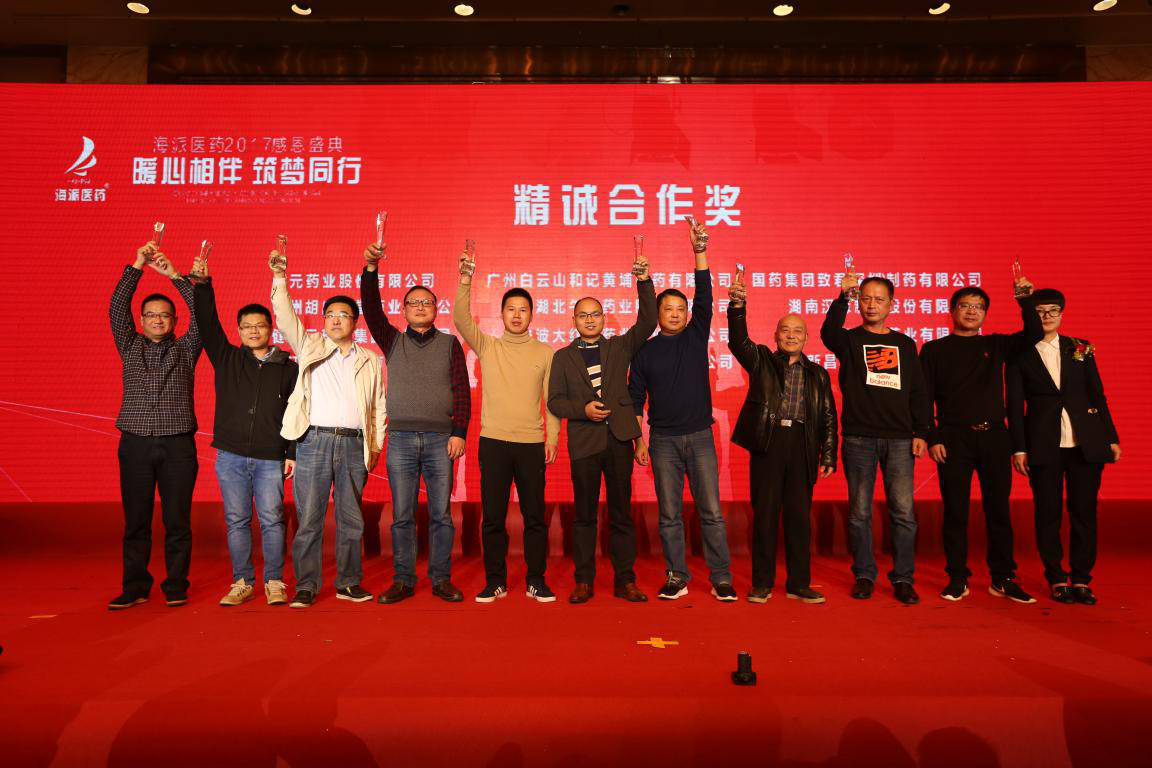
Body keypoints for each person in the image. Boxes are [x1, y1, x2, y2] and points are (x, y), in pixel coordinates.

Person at [269, 245, 386, 608]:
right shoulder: (310, 346)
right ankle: (306, 585)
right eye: (330, 315)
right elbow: (285, 316)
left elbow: (379, 406)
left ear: (355, 322)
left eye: (343, 315)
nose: (336, 320)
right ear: (323, 321)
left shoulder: (369, 359)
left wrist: (375, 445)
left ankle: (348, 583)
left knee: (351, 519)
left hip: (353, 444)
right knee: (309, 518)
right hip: (314, 442)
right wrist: (279, 277)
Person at [629, 219, 736, 602]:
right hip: (663, 442)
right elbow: (635, 399)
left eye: (680, 308)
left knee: (711, 512)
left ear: (689, 313)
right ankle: (676, 576)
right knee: (670, 514)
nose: (674, 313)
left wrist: (699, 250)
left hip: (701, 437)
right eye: (668, 308)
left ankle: (721, 578)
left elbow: (705, 293)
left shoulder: (695, 334)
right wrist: (639, 441)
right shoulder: (645, 351)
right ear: (657, 313)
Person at [920, 276, 1042, 604]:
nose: (972, 312)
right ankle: (957, 577)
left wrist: (1025, 300)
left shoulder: (996, 345)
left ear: (985, 313)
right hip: (952, 439)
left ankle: (1002, 578)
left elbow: (1034, 333)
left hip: (995, 437)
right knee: (955, 511)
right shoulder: (933, 350)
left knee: (998, 510)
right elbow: (923, 398)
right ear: (952, 310)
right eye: (965, 306)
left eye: (978, 307)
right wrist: (933, 437)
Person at [361, 242, 470, 604]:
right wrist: (371, 269)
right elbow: (371, 309)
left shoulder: (450, 344)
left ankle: (441, 579)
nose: (421, 307)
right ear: (404, 310)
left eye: (427, 302)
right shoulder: (392, 340)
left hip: (441, 440)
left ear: (436, 310)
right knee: (402, 515)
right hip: (402, 440)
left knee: (441, 515)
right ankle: (404, 580)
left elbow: (461, 391)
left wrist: (458, 432)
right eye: (414, 303)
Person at [547, 248, 657, 604]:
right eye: (583, 315)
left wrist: (644, 281)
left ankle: (626, 580)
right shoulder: (562, 357)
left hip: (620, 439)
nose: (590, 320)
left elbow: (648, 320)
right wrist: (582, 409)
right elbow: (555, 401)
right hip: (584, 443)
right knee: (584, 516)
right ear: (574, 320)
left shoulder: (620, 347)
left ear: (604, 318)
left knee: (621, 514)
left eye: (595, 314)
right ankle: (584, 581)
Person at [188, 255, 298, 607]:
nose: (254, 331)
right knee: (236, 520)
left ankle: (274, 581)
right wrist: (203, 286)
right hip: (231, 455)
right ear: (239, 331)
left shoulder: (289, 368)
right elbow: (208, 324)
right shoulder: (227, 358)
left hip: (270, 458)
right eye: (247, 326)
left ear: (270, 330)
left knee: (272, 521)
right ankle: (242, 581)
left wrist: (291, 452)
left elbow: (297, 414)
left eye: (260, 325)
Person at [453, 247, 561, 603]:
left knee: (534, 517)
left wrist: (552, 438)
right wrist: (466, 278)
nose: (517, 315)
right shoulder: (488, 346)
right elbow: (461, 319)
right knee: (494, 518)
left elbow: (551, 400)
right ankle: (495, 581)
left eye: (523, 309)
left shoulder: (545, 352)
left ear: (532, 314)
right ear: (501, 314)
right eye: (511, 309)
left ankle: (536, 580)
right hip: (494, 443)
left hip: (531, 444)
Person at [727, 271, 837, 604]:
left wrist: (828, 454)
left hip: (802, 446)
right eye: (785, 330)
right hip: (769, 443)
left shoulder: (817, 374)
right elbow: (738, 341)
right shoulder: (761, 360)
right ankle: (762, 583)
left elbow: (828, 416)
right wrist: (737, 305)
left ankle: (798, 584)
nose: (791, 335)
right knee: (765, 516)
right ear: (775, 335)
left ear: (806, 337)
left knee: (799, 519)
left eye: (797, 331)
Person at [821, 271, 931, 604]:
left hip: (900, 439)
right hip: (859, 438)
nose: (871, 304)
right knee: (859, 513)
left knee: (903, 512)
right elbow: (828, 333)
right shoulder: (850, 341)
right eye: (865, 298)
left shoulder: (905, 344)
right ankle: (864, 575)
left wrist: (922, 431)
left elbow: (918, 391)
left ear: (891, 304)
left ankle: (903, 578)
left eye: (879, 299)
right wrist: (843, 297)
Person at [1007, 289, 1119, 605]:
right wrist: (1019, 448)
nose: (1046, 316)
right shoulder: (1019, 353)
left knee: (1084, 512)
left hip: (1085, 443)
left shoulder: (1079, 347)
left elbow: (1097, 394)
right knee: (1048, 513)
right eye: (1040, 311)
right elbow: (1014, 405)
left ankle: (1082, 579)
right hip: (1043, 445)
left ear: (1061, 313)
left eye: (1052, 310)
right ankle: (1056, 576)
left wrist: (1111, 436)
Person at [107, 241, 202, 610]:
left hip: (178, 445)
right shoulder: (129, 345)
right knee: (136, 520)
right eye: (151, 315)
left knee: (178, 521)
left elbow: (201, 313)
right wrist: (137, 265)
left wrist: (175, 276)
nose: (158, 320)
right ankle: (135, 586)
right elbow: (117, 307)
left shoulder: (186, 349)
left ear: (174, 321)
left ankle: (176, 584)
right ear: (142, 320)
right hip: (135, 443)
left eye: (165, 316)